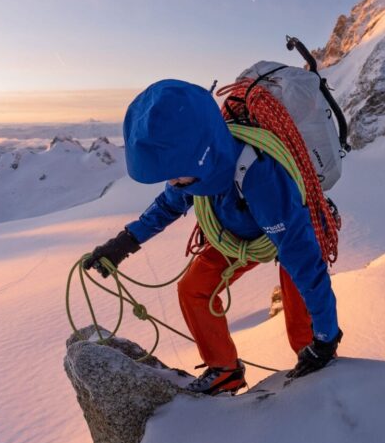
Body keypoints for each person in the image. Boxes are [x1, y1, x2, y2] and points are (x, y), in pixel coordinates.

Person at [83, 79, 341, 395]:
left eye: (176, 173)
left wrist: (326, 337)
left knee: (302, 314)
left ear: (200, 154)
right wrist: (122, 245)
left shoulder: (261, 176)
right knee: (193, 289)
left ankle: (318, 372)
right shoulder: (196, 171)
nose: (173, 182)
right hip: (236, 234)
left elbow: (303, 261)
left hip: (288, 229)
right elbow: (167, 205)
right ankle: (225, 370)